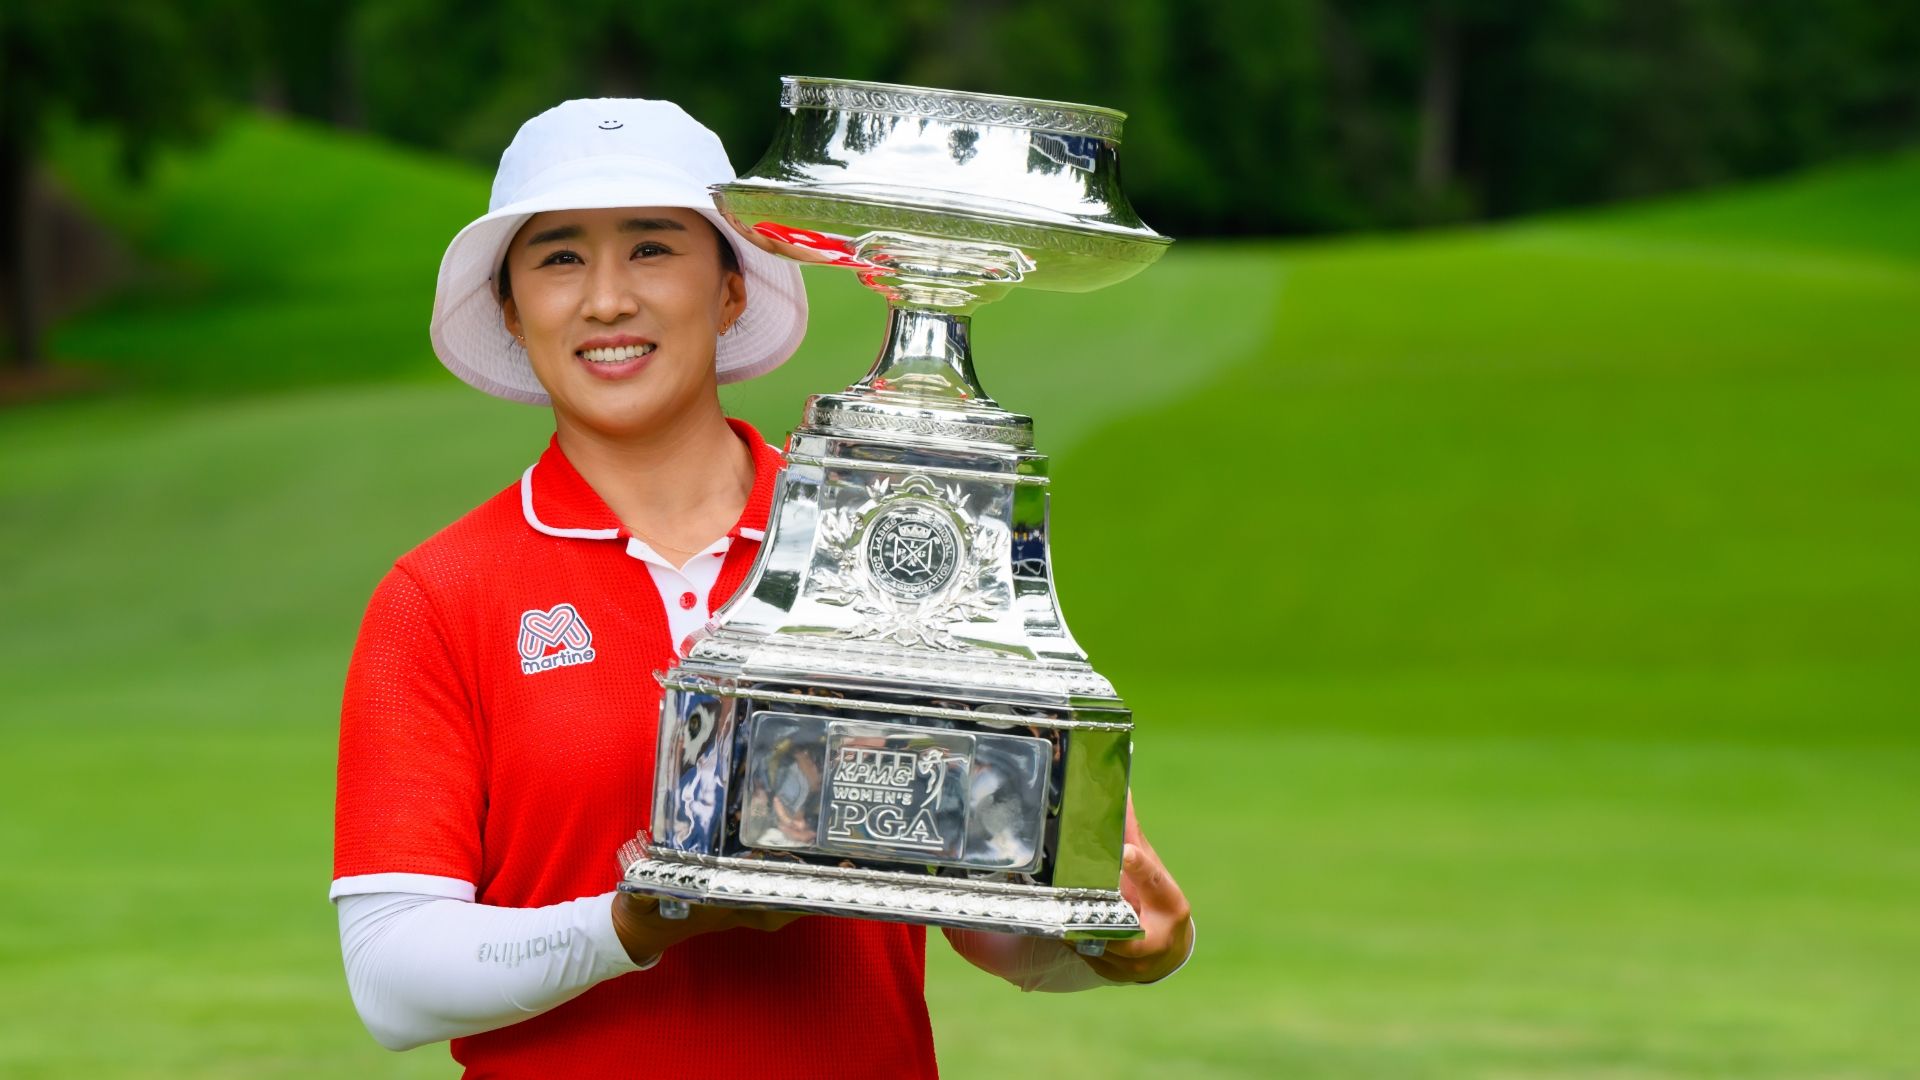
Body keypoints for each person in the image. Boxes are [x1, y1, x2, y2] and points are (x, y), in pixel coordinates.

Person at [332, 97, 1194, 1078]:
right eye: (560, 256)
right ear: (511, 308)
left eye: (653, 249)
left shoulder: (885, 535)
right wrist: (632, 925)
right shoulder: (442, 596)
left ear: (733, 288)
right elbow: (394, 977)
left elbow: (987, 903)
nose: (608, 299)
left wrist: (1117, 939)